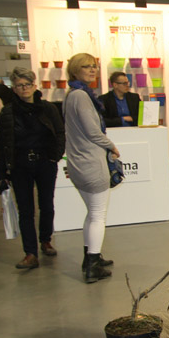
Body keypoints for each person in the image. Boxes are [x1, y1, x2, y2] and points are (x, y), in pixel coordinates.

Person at [0, 67, 65, 270]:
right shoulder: (8, 112)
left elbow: (60, 133)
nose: (24, 88)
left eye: (27, 84)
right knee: (25, 210)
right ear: (14, 88)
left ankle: (45, 240)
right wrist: (3, 170)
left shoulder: (48, 108)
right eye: (19, 85)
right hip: (20, 165)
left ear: (34, 86)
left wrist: (55, 156)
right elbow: (3, 142)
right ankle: (30, 253)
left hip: (45, 162)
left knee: (47, 204)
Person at [63, 53, 118, 283]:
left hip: (78, 161)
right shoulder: (81, 96)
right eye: (86, 66)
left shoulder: (72, 94)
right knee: (97, 215)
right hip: (90, 162)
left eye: (94, 66)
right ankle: (93, 265)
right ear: (75, 70)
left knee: (91, 213)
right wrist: (111, 146)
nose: (92, 70)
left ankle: (90, 257)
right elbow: (93, 131)